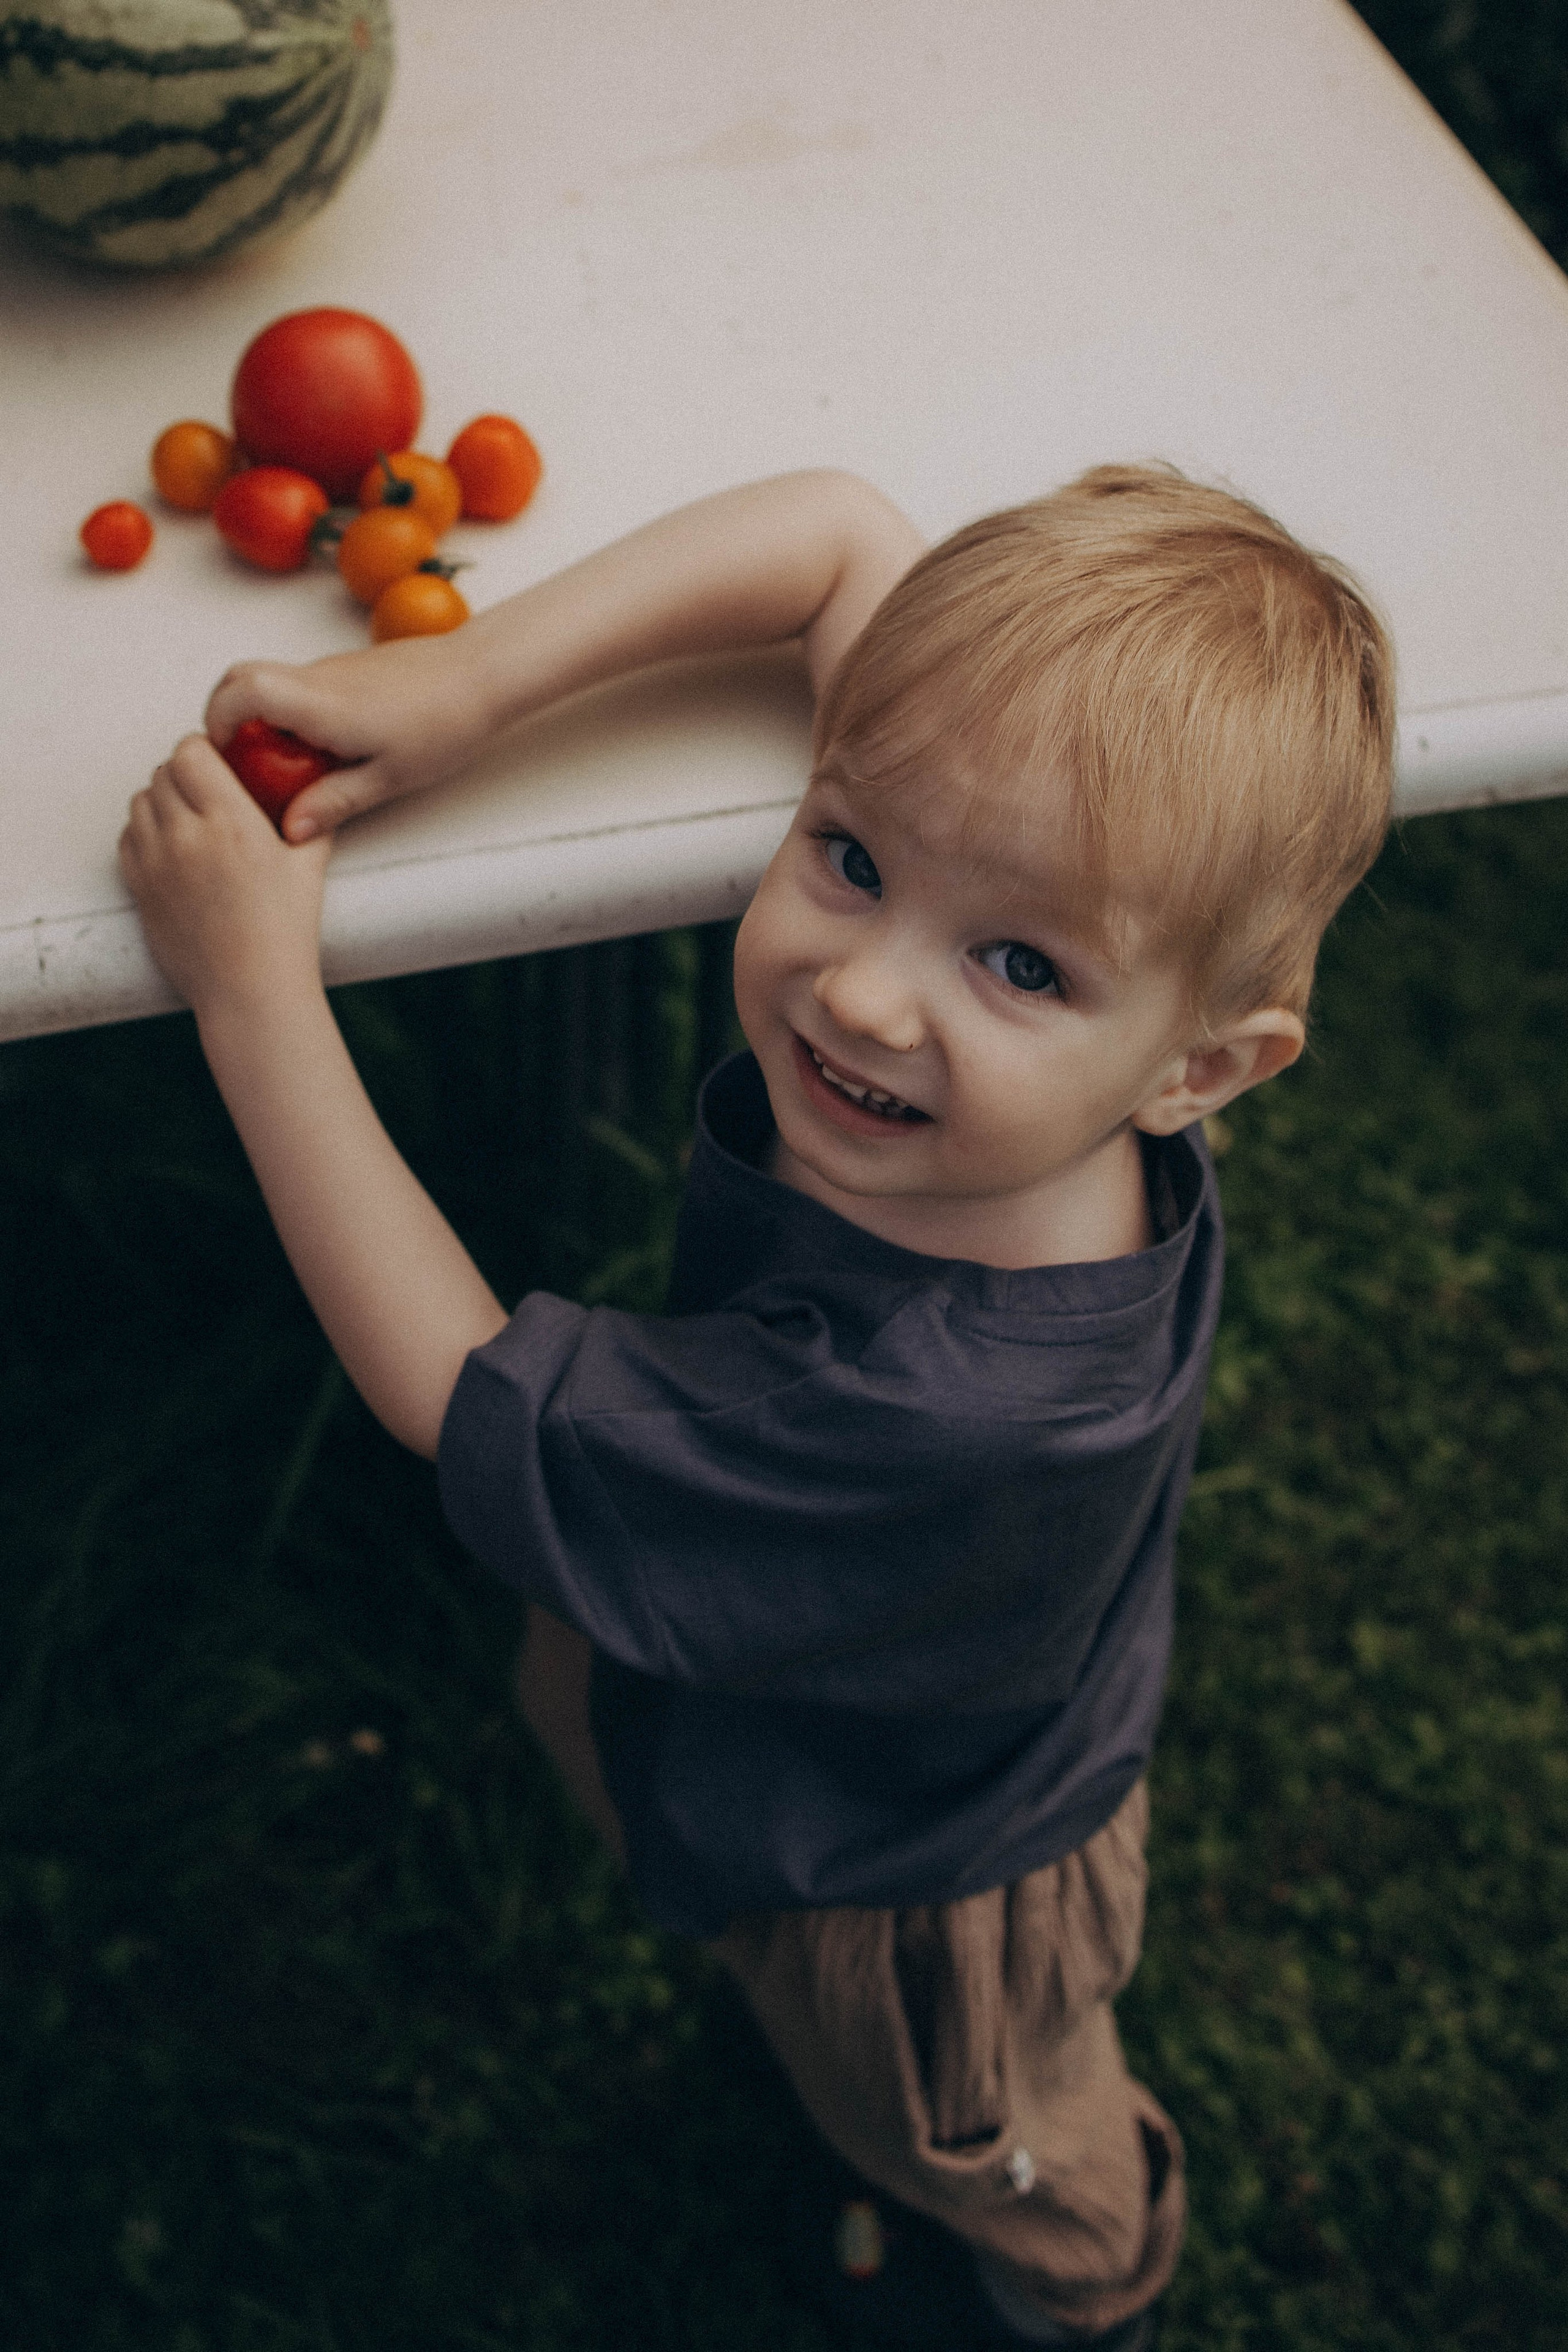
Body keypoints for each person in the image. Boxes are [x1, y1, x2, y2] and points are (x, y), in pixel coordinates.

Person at [119, 464, 1393, 2350]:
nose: (868, 995)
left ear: (1209, 1063)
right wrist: (456, 689)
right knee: (627, 1753)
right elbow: (831, 535)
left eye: (1020, 965)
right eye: (854, 855)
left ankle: (1070, 2290)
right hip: (873, 1687)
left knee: (978, 2136)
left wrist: (253, 997)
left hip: (912, 1889)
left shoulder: (938, 1411)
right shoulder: (1051, 1080)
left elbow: (458, 1391)